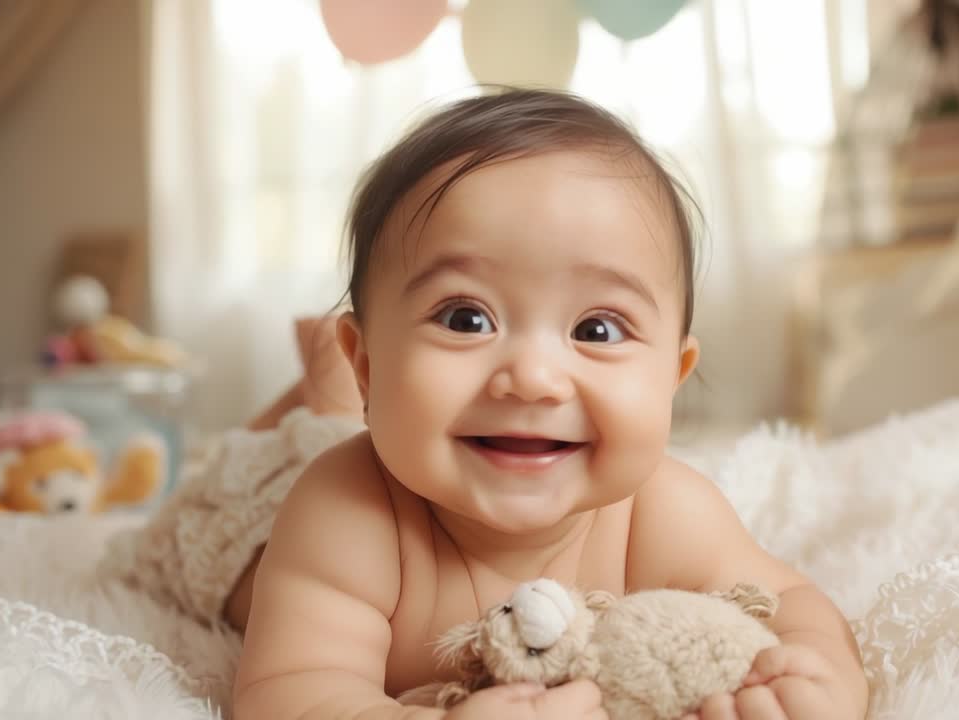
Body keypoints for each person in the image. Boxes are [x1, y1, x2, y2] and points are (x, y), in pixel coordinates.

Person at [229, 88, 868, 720]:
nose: (533, 379)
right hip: (256, 506)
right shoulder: (346, 511)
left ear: (672, 378)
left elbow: (792, 602)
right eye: (465, 318)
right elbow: (290, 691)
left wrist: (816, 680)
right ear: (366, 362)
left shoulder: (663, 512)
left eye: (597, 330)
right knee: (287, 447)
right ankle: (321, 387)